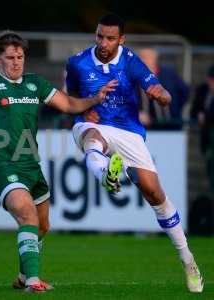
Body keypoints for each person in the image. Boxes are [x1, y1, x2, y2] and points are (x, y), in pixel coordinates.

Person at [0, 30, 116, 293]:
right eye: (10, 57)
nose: (16, 62)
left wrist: (95, 99)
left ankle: (23, 275)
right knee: (27, 215)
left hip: (31, 167)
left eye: (20, 56)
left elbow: (67, 104)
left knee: (42, 226)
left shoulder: (35, 84)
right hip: (3, 166)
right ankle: (34, 282)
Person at [66, 13, 203, 293]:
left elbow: (160, 90)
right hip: (93, 125)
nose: (103, 42)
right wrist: (82, 108)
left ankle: (188, 260)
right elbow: (70, 100)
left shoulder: (130, 61)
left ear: (121, 40)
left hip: (128, 131)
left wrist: (161, 95)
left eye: (110, 38)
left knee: (155, 194)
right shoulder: (77, 63)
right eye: (99, 36)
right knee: (92, 138)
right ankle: (105, 172)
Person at [138, 47, 189, 130]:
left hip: (171, 125)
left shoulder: (169, 74)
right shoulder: (132, 78)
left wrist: (175, 108)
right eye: (141, 58)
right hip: (146, 127)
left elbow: (184, 91)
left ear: (154, 59)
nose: (144, 61)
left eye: (147, 58)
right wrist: (136, 113)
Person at [190, 64, 214, 189]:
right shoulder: (203, 90)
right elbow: (194, 110)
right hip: (207, 140)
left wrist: (207, 117)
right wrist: (199, 114)